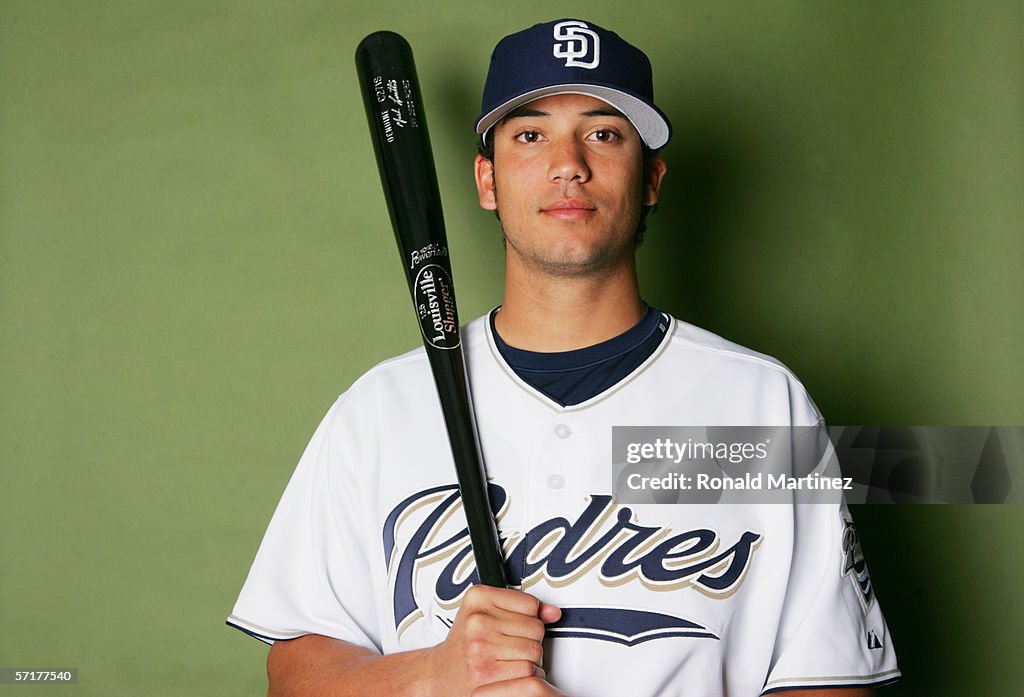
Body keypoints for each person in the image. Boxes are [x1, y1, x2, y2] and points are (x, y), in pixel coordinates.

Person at [228, 19, 900, 696]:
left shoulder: (759, 406)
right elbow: (296, 676)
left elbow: (830, 677)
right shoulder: (380, 411)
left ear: (652, 180)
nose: (568, 163)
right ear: (487, 181)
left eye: (604, 133)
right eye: (530, 134)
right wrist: (433, 673)